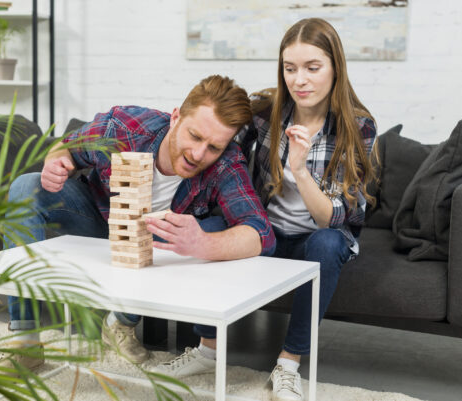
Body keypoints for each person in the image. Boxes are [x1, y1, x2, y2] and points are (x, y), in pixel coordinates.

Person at [151, 18, 378, 401]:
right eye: (290, 69)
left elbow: (337, 218)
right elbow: (219, 155)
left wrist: (300, 169)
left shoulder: (358, 126)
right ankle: (208, 349)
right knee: (209, 226)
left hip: (315, 239)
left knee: (327, 244)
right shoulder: (267, 111)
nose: (299, 80)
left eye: (312, 67)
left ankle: (288, 365)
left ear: (335, 67)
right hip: (268, 234)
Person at [2, 75, 276, 371]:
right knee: (25, 187)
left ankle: (120, 322)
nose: (198, 154)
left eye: (213, 147)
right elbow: (67, 147)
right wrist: (55, 163)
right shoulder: (124, 126)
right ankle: (26, 340)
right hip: (97, 222)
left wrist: (202, 243)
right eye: (195, 136)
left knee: (215, 229)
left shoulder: (226, 163)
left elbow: (262, 234)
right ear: (175, 117)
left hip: (157, 246)